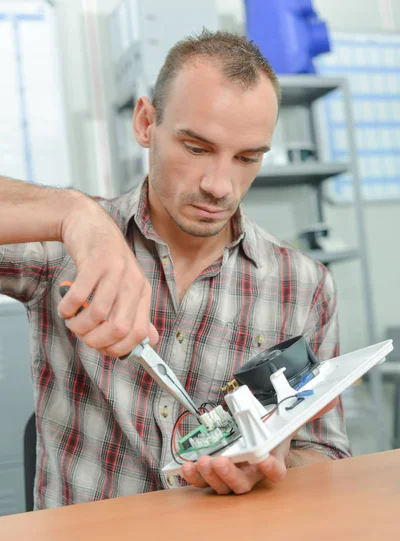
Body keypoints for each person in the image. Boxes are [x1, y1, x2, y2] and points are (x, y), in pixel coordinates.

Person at [0, 30, 350, 509]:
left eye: (247, 157)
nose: (220, 185)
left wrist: (275, 464)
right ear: (146, 122)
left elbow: (326, 451)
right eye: (196, 148)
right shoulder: (64, 246)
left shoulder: (305, 285)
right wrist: (72, 212)